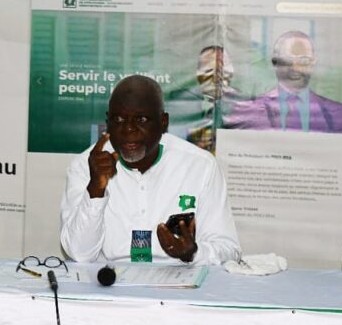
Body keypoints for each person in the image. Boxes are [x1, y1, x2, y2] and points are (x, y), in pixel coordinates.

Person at [60, 75, 241, 265]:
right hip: (110, 278)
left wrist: (194, 253)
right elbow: (79, 254)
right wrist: (96, 189)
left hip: (179, 278)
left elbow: (229, 249)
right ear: (108, 122)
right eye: (119, 119)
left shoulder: (200, 166)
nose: (128, 129)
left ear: (163, 122)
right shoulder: (85, 166)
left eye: (142, 119)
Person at [224, 30, 342, 133]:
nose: (295, 67)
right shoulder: (247, 112)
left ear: (313, 63)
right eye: (288, 60)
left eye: (304, 60)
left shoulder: (339, 114)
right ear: (275, 62)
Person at [187, 45, 237, 152]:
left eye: (223, 70)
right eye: (209, 70)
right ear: (197, 74)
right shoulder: (183, 102)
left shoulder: (244, 103)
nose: (217, 76)